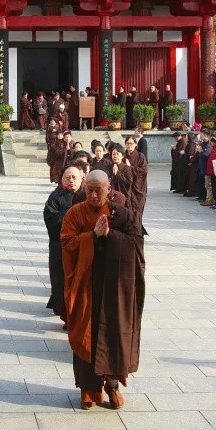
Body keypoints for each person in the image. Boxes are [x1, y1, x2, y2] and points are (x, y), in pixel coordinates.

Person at [61, 170, 146, 410]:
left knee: (112, 337)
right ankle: (88, 390)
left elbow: (136, 244)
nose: (94, 194)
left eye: (99, 189)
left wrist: (111, 235)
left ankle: (112, 386)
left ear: (110, 189)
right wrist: (92, 236)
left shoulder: (122, 214)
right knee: (87, 337)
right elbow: (67, 244)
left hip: (114, 287)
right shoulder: (74, 214)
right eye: (89, 189)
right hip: (86, 285)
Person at [43, 166, 82, 326]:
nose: (71, 180)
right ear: (62, 180)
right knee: (61, 282)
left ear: (81, 178)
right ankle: (66, 316)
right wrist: (71, 213)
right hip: (60, 246)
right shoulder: (55, 197)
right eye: (68, 177)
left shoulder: (87, 195)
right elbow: (50, 219)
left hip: (81, 247)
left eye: (74, 177)